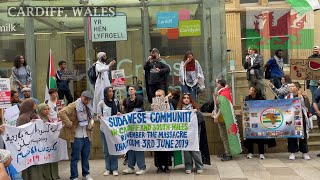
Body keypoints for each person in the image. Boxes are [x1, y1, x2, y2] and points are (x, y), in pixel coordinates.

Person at [58, 91, 95, 180]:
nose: (87, 101)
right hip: (76, 135)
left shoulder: (88, 107)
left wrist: (92, 123)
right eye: (86, 99)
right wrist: (69, 123)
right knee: (75, 157)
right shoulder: (74, 105)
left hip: (86, 134)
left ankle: (86, 174)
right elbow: (61, 112)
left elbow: (91, 117)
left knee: (85, 156)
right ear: (81, 97)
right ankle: (74, 176)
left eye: (89, 100)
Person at [16, 98, 47, 180]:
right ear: (29, 106)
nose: (36, 105)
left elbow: (42, 123)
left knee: (37, 164)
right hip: (27, 147)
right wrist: (30, 123)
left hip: (36, 145)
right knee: (30, 166)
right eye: (34, 104)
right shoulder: (22, 118)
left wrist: (41, 122)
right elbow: (20, 132)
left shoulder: (35, 115)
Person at [244, 87, 276, 159]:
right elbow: (244, 107)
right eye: (250, 89)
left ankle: (261, 153)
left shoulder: (261, 98)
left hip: (259, 121)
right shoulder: (247, 98)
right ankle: (250, 152)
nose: (250, 91)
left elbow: (265, 107)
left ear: (255, 92)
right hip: (250, 121)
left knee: (260, 137)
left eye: (252, 90)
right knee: (250, 137)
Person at [122, 85, 146, 175]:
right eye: (129, 89)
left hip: (138, 127)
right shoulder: (126, 100)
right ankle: (130, 167)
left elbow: (142, 110)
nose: (130, 90)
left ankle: (142, 167)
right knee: (130, 147)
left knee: (138, 147)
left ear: (135, 91)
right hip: (129, 127)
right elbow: (124, 111)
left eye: (132, 89)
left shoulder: (139, 99)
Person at [177, 93, 204, 174]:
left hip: (195, 132)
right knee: (186, 150)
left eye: (188, 98)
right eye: (184, 98)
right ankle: (188, 166)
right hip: (184, 132)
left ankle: (199, 166)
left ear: (190, 99)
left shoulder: (195, 108)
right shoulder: (179, 109)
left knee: (195, 149)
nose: (186, 99)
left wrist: (197, 112)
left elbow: (201, 120)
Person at [97, 86, 120, 176]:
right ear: (106, 93)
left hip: (114, 129)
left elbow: (118, 112)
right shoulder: (101, 103)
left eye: (112, 91)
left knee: (113, 149)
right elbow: (98, 115)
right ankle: (108, 168)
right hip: (104, 130)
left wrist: (118, 113)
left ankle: (114, 168)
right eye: (109, 91)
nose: (111, 93)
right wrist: (99, 116)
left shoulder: (116, 101)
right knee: (106, 150)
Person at [286, 82, 311, 160]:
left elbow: (307, 106)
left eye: (292, 86)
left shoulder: (302, 96)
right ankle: (292, 152)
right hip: (291, 118)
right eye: (290, 86)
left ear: (297, 88)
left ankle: (304, 152)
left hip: (301, 118)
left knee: (303, 135)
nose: (290, 87)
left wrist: (306, 97)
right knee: (291, 135)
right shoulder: (287, 97)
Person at [37, 103, 60, 179]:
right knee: (46, 159)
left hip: (51, 143)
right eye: (44, 109)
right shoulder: (38, 119)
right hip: (43, 144)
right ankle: (47, 176)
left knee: (52, 159)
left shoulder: (50, 118)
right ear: (40, 110)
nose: (47, 111)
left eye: (48, 109)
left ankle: (54, 175)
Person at [153, 89, 173, 173]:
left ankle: (167, 166)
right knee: (158, 149)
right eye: (156, 96)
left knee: (167, 149)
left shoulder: (169, 105)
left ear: (163, 96)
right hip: (157, 131)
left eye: (159, 96)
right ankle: (159, 166)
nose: (158, 97)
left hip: (166, 130)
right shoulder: (153, 105)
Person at [212, 79, 232, 161]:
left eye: (217, 83)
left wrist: (216, 116)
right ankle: (227, 152)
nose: (216, 84)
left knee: (224, 136)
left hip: (223, 118)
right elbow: (217, 104)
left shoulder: (223, 93)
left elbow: (222, 107)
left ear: (220, 84)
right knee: (224, 136)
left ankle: (228, 154)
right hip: (223, 117)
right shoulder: (223, 92)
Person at [307, 46, 320, 115]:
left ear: (319, 50)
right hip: (313, 83)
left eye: (316, 49)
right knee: (314, 98)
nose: (315, 50)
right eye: (314, 49)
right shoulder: (310, 58)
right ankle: (312, 113)